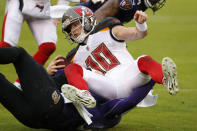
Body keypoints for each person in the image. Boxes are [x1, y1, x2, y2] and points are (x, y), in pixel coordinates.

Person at [0, 46, 156, 130]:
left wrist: (149, 81)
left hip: (51, 106)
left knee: (19, 54)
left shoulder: (109, 100)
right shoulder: (101, 90)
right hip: (35, 119)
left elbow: (127, 102)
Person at [57, 6, 178, 102]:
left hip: (128, 76)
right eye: (69, 29)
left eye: (75, 25)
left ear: (87, 20)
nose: (73, 31)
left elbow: (137, 34)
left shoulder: (108, 28)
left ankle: (167, 80)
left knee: (144, 60)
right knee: (71, 68)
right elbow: (63, 80)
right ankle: (84, 96)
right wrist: (49, 71)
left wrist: (141, 24)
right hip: (108, 86)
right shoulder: (74, 56)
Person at [0, 0, 67, 87]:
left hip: (42, 9)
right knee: (6, 46)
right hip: (19, 4)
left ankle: (19, 84)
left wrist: (58, 13)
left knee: (48, 46)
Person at [79, 0, 166, 23]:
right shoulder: (131, 4)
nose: (157, 1)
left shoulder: (139, 4)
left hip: (84, 12)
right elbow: (112, 5)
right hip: (80, 17)